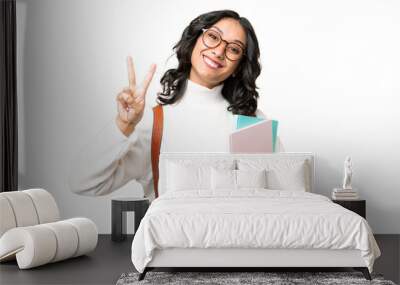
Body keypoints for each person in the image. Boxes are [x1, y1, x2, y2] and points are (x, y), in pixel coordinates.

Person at [68, 9, 284, 201]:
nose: (219, 51)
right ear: (195, 41)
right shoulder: (153, 124)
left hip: (239, 244)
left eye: (234, 49)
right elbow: (82, 183)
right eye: (213, 37)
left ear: (238, 66)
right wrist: (122, 126)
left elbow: (277, 199)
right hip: (169, 246)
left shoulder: (250, 121)